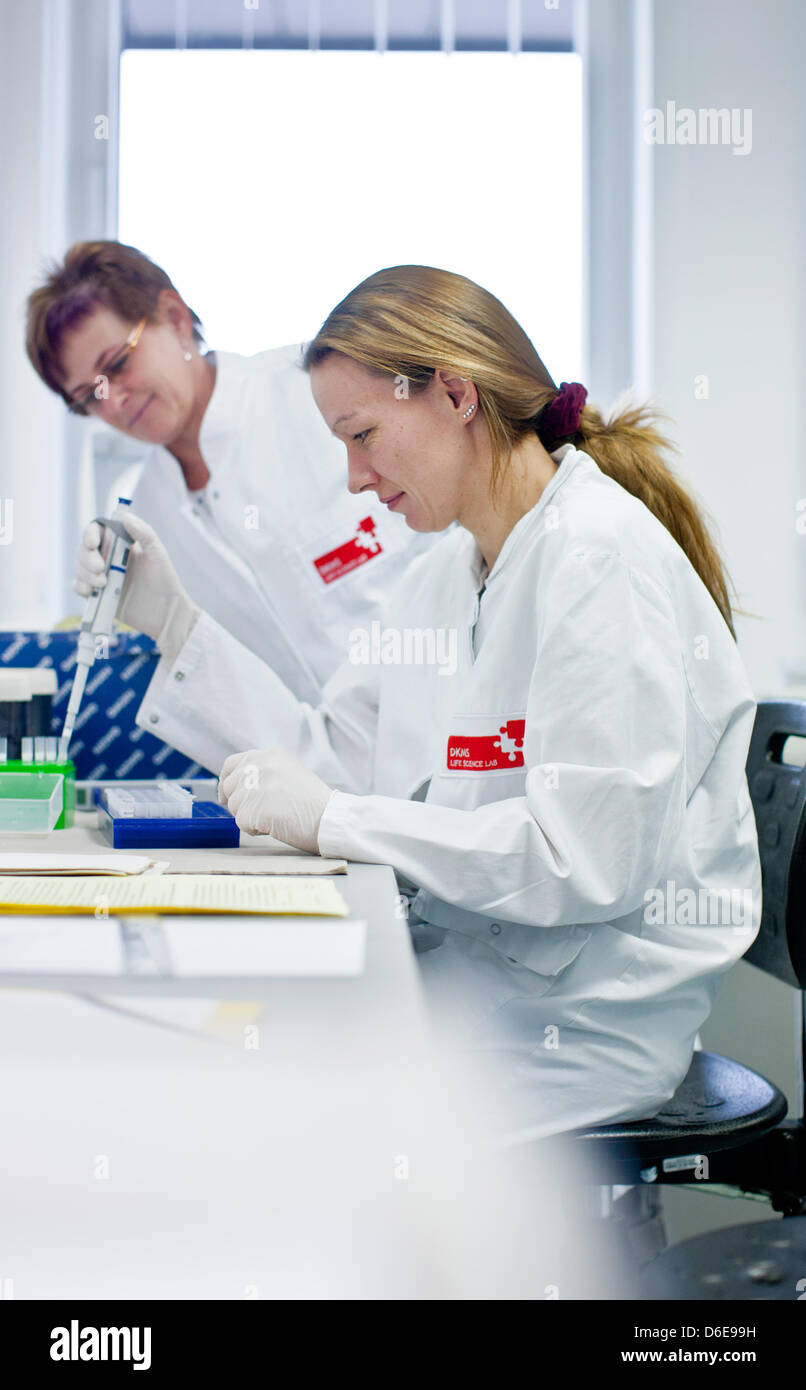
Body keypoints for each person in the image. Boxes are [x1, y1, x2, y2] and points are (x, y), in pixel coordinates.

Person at [74, 265, 762, 1140]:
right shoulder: (447, 573)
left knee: (263, 1126)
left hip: (579, 1027)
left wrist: (339, 821)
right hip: (484, 980)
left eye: (363, 435)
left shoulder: (597, 559)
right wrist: (172, 620)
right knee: (217, 1061)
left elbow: (581, 862)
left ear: (454, 392)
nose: (355, 478)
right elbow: (334, 763)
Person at [25, 242, 434, 706]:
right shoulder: (144, 523)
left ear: (175, 319)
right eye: (89, 398)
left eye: (118, 365)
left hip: (446, 722)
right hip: (313, 771)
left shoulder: (318, 394)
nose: (113, 401)